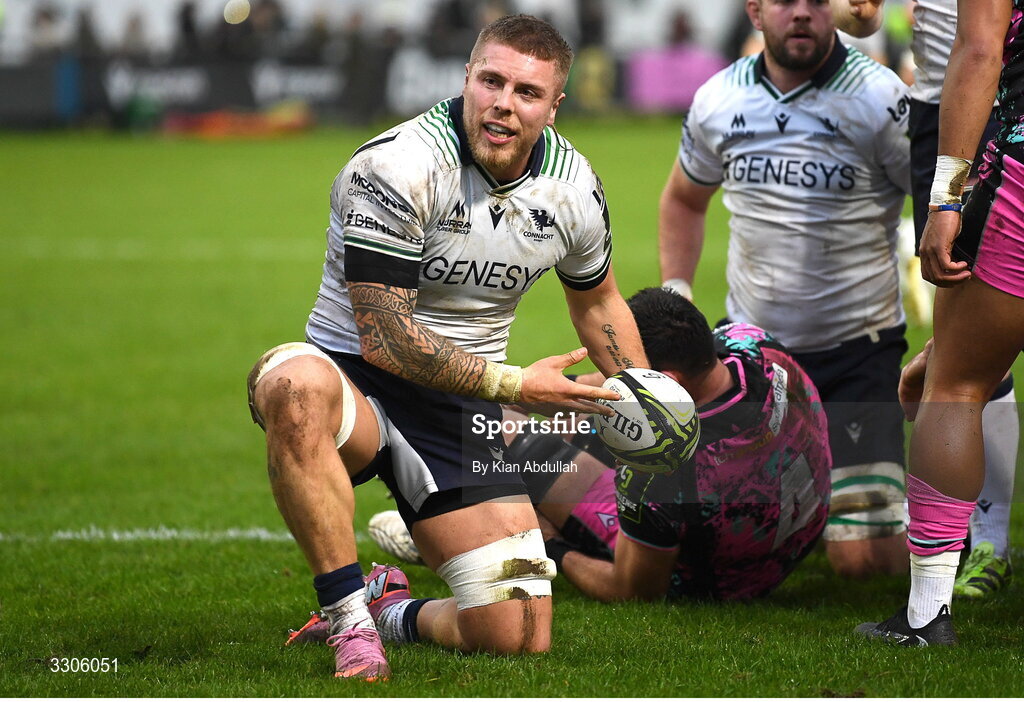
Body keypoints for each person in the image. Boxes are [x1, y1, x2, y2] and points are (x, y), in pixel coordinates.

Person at [246, 14, 649, 680]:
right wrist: (518, 388)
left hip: (459, 409)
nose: (502, 102)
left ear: (554, 107)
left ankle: (387, 610)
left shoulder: (575, 188)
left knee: (517, 634)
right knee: (291, 386)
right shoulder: (396, 166)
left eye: (526, 92)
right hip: (356, 385)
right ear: (466, 78)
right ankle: (348, 623)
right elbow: (388, 340)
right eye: (490, 80)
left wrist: (646, 396)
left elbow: (599, 301)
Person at [287, 288, 831, 625]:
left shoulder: (658, 481)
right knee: (546, 427)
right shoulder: (753, 346)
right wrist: (558, 394)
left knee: (493, 432)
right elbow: (627, 401)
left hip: (716, 576)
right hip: (786, 536)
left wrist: (551, 544)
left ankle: (463, 526)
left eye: (627, 374)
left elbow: (632, 590)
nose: (611, 377)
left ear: (666, 380)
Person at [658, 0, 911, 579]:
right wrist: (677, 290)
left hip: (857, 350)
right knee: (714, 539)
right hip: (756, 356)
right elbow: (683, 199)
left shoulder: (882, 99)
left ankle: (923, 514)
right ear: (755, 11)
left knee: (865, 566)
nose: (802, 13)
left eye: (817, 1)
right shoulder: (718, 99)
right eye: (785, 1)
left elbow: (935, 204)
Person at [832, 0, 1018, 601]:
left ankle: (927, 612)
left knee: (956, 385)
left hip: (995, 137)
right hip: (962, 113)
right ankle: (986, 544)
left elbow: (981, 48)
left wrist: (947, 199)